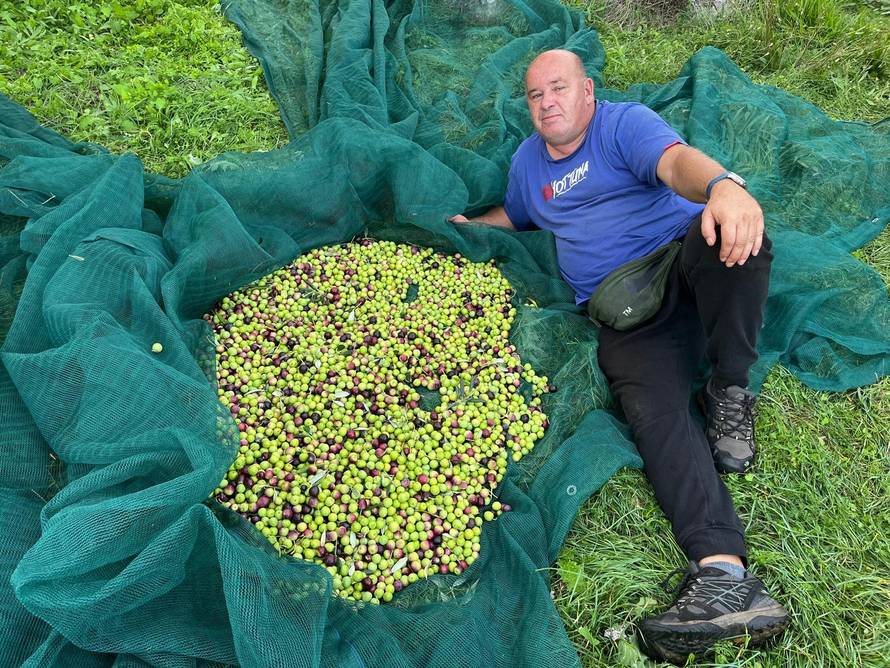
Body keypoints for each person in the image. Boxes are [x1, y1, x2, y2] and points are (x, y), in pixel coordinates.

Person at [450, 49, 790, 663]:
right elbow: (519, 215)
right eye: (535, 95)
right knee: (654, 413)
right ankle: (724, 579)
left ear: (586, 92)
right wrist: (475, 226)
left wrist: (721, 188)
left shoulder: (621, 124)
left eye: (558, 88)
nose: (547, 102)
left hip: (681, 257)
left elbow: (676, 162)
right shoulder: (529, 165)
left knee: (739, 242)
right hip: (625, 311)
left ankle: (730, 389)